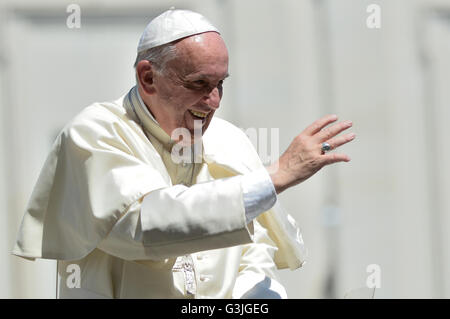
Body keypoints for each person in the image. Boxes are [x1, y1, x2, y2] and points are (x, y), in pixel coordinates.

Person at [12, 9, 355, 299]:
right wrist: (274, 176)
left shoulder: (229, 139)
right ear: (148, 78)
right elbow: (144, 224)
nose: (214, 101)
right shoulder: (95, 133)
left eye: (220, 84)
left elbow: (254, 251)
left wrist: (258, 298)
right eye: (199, 84)